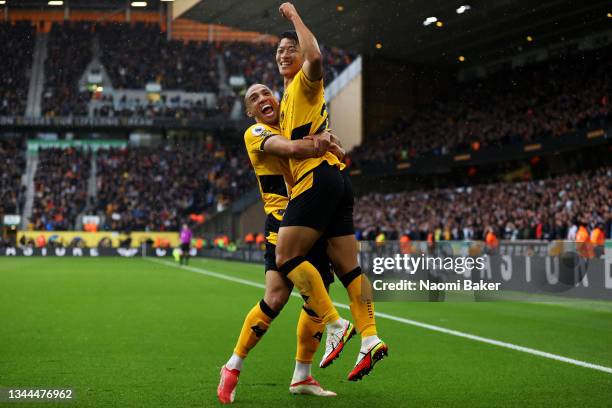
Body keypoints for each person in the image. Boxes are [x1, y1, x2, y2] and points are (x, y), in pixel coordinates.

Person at [274, 2, 387, 382]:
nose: (284, 54)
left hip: (316, 180)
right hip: (336, 180)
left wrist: (294, 18)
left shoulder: (305, 83)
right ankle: (370, 337)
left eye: (289, 49)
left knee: (286, 254)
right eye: (279, 51)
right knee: (349, 267)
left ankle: (335, 324)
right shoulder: (288, 100)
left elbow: (317, 57)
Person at [218, 84, 343, 404]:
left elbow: (323, 146)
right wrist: (320, 142)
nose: (262, 99)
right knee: (276, 299)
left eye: (265, 93)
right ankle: (232, 366)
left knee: (309, 297)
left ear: (277, 98)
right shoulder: (256, 131)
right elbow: (289, 149)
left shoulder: (291, 123)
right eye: (254, 99)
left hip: (312, 215)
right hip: (284, 221)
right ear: (250, 112)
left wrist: (327, 142)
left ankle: (302, 376)